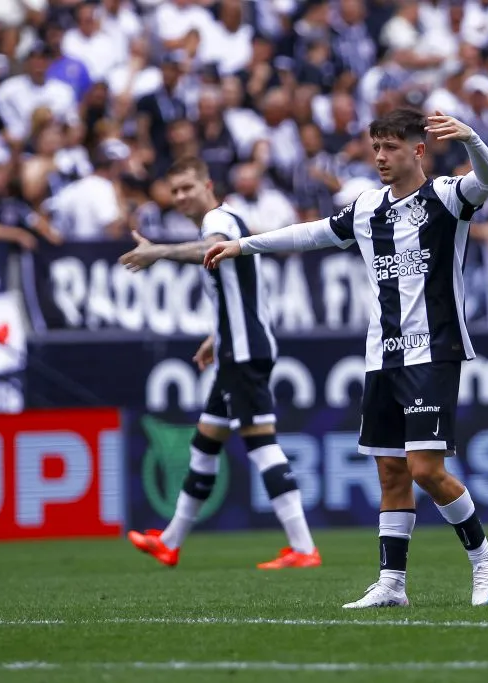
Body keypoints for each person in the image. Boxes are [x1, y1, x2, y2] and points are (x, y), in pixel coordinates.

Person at [204, 109, 488, 608]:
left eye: (390, 148)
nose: (381, 158)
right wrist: (244, 245)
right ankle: (392, 583)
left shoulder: (448, 197)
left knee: (425, 469)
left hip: (433, 350)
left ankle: (484, 559)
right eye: (376, 148)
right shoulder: (368, 208)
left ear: (418, 150)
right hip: (381, 356)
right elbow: (311, 233)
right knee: (391, 473)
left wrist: (473, 137)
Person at [118, 157, 320, 570]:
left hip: (244, 353)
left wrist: (159, 250)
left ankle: (302, 547)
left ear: (208, 185)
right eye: (174, 192)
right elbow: (241, 292)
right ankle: (170, 541)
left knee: (261, 444)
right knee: (206, 444)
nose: (180, 197)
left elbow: (208, 250)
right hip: (234, 348)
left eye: (187, 188)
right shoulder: (225, 220)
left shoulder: (220, 219)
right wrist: (216, 337)